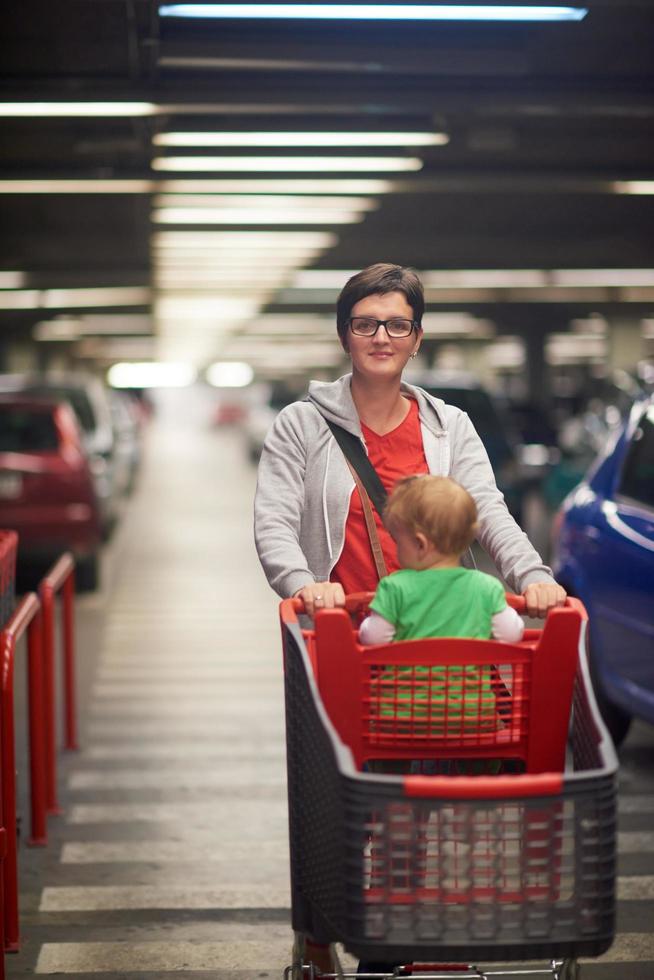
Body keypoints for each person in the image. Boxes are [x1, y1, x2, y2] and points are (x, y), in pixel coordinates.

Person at [254, 262, 566, 974]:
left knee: (413, 796)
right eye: (366, 323)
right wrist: (307, 585)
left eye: (396, 323)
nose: (381, 335)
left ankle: (392, 932)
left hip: (436, 645)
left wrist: (534, 576)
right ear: (345, 334)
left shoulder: (447, 425)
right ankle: (321, 927)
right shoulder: (302, 425)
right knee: (335, 793)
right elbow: (273, 523)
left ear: (416, 336)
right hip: (342, 639)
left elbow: (488, 512)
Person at [358, 473, 524, 737]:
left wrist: (365, 625)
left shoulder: (394, 587)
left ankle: (389, 776)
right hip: (472, 717)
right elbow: (511, 634)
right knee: (487, 743)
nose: (398, 550)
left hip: (401, 718)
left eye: (398, 541)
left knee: (381, 746)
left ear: (421, 544)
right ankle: (480, 775)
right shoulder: (486, 587)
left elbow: (374, 639)